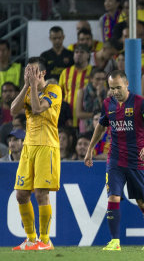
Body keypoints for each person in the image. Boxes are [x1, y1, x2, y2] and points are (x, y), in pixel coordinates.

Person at [84, 70, 144, 251]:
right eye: (112, 88)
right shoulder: (107, 104)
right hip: (115, 159)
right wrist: (89, 149)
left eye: (118, 87)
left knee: (143, 202)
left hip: (137, 160)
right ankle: (115, 242)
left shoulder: (141, 103)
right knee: (113, 196)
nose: (115, 91)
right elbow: (101, 127)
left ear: (127, 85)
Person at [11, 57, 62, 251]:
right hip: (28, 147)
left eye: (32, 72)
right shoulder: (28, 90)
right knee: (21, 195)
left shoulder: (54, 90)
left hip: (47, 146)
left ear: (42, 73)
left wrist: (33, 86)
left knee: (42, 194)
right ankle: (31, 239)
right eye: (26, 72)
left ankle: (45, 240)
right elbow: (13, 109)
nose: (29, 75)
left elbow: (38, 109)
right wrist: (27, 87)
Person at [58, 43, 92, 127]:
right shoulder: (65, 72)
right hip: (68, 120)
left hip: (87, 121)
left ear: (88, 55)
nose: (78, 54)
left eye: (82, 52)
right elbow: (59, 96)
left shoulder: (93, 72)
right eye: (76, 52)